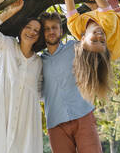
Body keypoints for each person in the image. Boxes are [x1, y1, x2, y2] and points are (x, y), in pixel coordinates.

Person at [0, 0, 43, 153]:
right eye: (29, 27)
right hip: (2, 112)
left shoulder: (39, 62)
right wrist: (10, 11)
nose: (32, 32)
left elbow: (40, 92)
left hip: (26, 120)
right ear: (21, 30)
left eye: (36, 30)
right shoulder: (7, 45)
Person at [40, 12, 103, 153]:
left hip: (83, 115)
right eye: (47, 28)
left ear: (61, 30)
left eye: (54, 27)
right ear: (42, 33)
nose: (51, 31)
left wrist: (94, 8)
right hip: (56, 123)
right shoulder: (38, 62)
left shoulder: (75, 47)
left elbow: (97, 38)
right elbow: (38, 92)